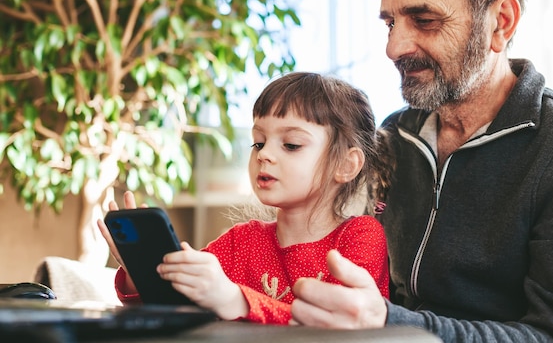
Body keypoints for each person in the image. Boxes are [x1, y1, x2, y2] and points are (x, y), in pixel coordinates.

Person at [289, 0, 553, 343]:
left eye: (425, 20)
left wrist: (389, 323)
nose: (394, 47)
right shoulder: (398, 137)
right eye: (391, 23)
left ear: (500, 22)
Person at [98, 71, 390, 325]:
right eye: (258, 142)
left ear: (346, 165)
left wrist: (235, 300)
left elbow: (342, 324)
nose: (264, 154)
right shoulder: (242, 242)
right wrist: (141, 271)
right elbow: (175, 307)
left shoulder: (359, 236)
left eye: (291, 144)